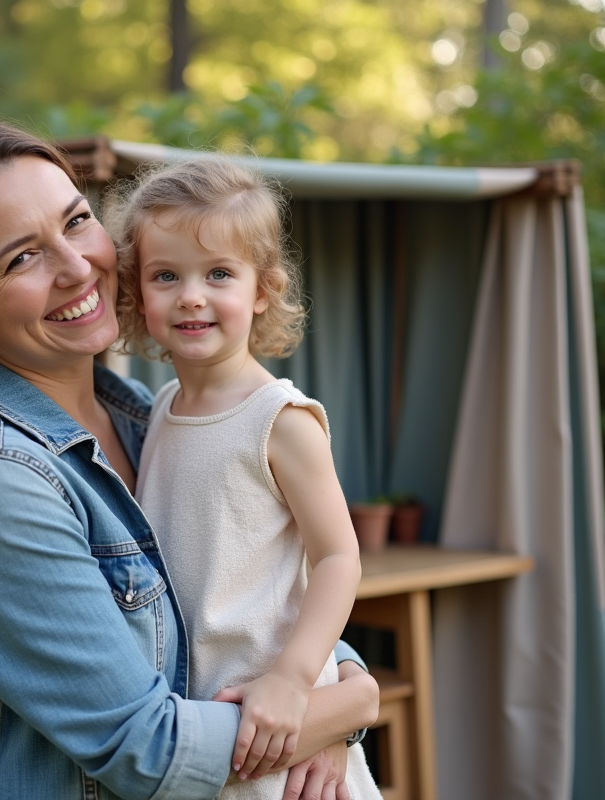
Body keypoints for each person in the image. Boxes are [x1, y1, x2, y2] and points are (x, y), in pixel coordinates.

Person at [0, 120, 379, 800]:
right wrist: (346, 708)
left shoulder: (147, 416)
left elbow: (240, 590)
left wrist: (326, 695)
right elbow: (145, 751)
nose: (78, 266)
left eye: (77, 221)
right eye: (22, 257)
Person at [105, 157, 383, 800]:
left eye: (220, 274)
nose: (192, 295)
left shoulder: (280, 420)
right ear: (137, 292)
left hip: (278, 730)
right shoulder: (162, 410)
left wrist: (296, 683)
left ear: (262, 290)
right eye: (166, 275)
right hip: (204, 725)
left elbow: (339, 557)